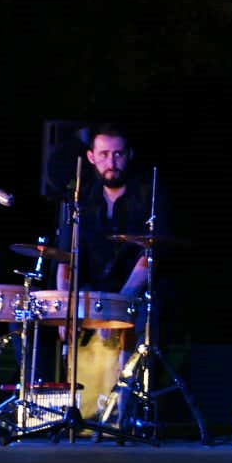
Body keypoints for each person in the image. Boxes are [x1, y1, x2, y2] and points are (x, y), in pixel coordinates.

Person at [55, 123, 166, 419]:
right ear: (91, 157)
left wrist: (118, 306)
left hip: (133, 293)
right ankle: (75, 412)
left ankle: (122, 414)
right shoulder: (79, 201)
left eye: (118, 154)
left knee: (143, 317)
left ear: (128, 155)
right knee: (50, 323)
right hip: (91, 293)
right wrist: (66, 308)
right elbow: (64, 259)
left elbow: (149, 256)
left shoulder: (148, 197)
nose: (111, 162)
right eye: (104, 154)